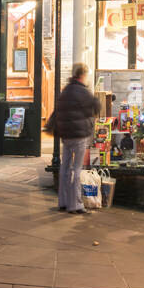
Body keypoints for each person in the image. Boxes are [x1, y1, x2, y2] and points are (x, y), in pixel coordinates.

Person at [51, 63, 101, 214]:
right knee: (77, 169)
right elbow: (97, 105)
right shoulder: (83, 91)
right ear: (83, 75)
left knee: (65, 167)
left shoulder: (66, 90)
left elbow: (59, 109)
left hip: (66, 135)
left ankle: (63, 202)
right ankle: (76, 204)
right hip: (79, 135)